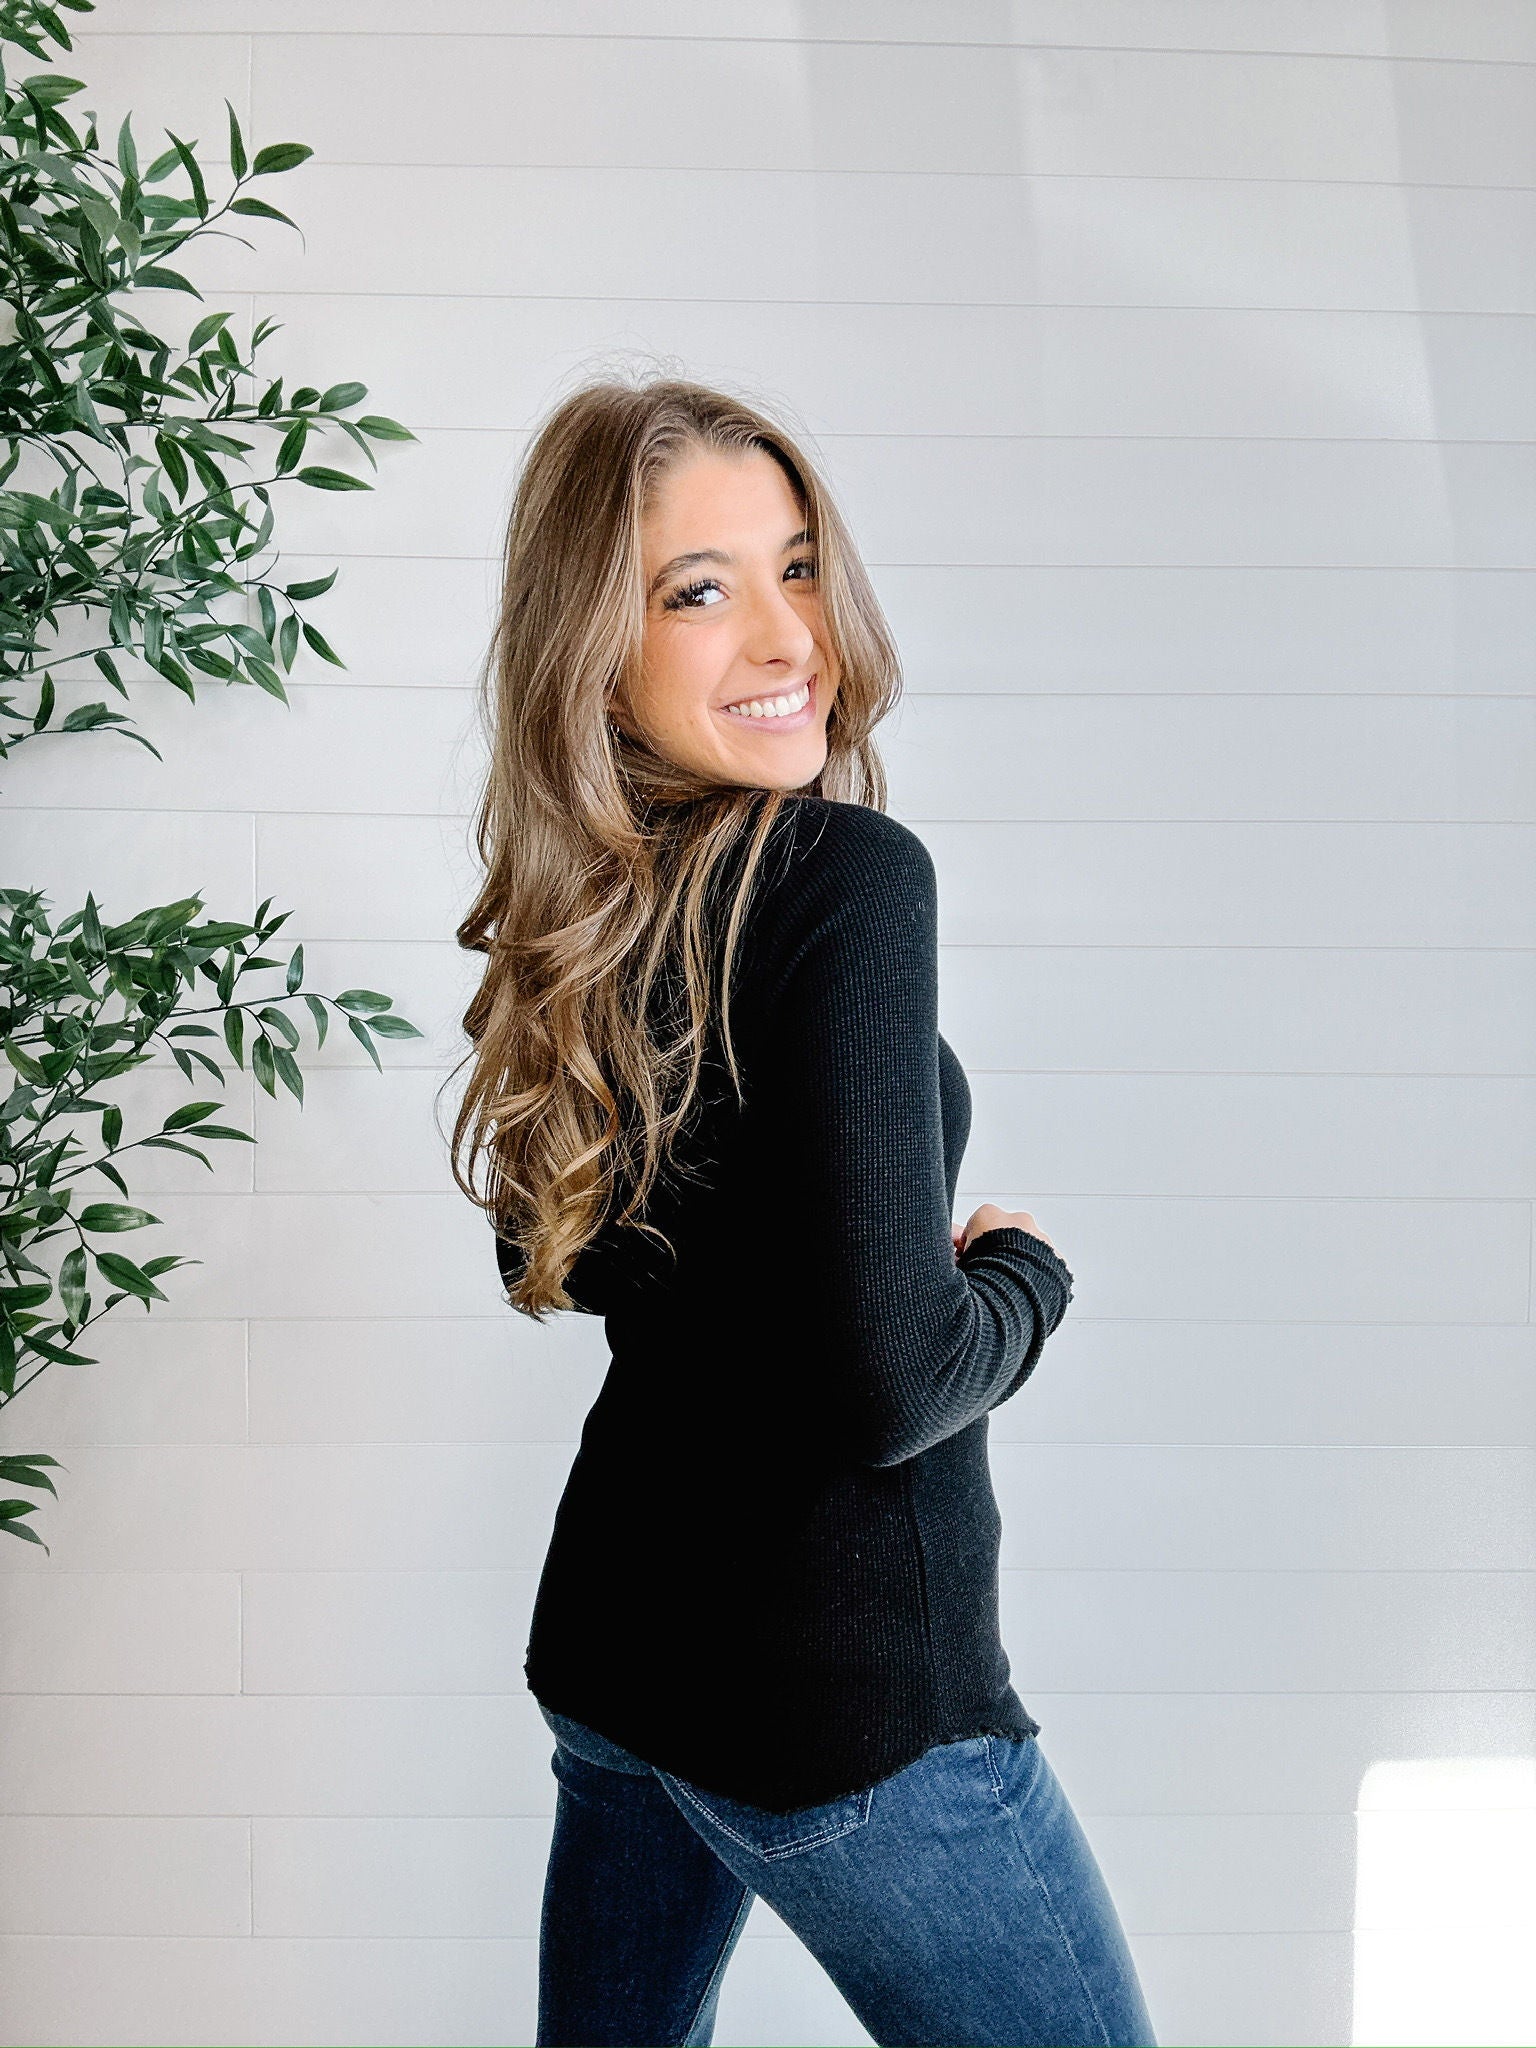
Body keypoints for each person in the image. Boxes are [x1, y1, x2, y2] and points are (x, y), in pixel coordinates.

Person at [451, 373, 1157, 2048]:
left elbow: (587, 1260)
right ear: (593, 654)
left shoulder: (609, 904)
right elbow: (895, 1383)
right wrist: (1026, 1274)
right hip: (847, 1718)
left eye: (798, 568)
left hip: (623, 1661)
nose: (789, 640)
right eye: (699, 591)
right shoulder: (844, 874)